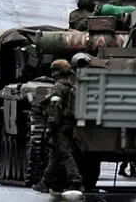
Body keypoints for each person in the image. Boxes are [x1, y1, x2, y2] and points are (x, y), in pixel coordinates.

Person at [33, 59, 84, 193]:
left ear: (58, 71)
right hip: (69, 124)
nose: (53, 73)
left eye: (54, 70)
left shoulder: (58, 87)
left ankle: (76, 181)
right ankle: (45, 181)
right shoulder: (71, 86)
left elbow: (55, 108)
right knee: (55, 155)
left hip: (59, 125)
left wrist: (50, 127)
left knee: (64, 153)